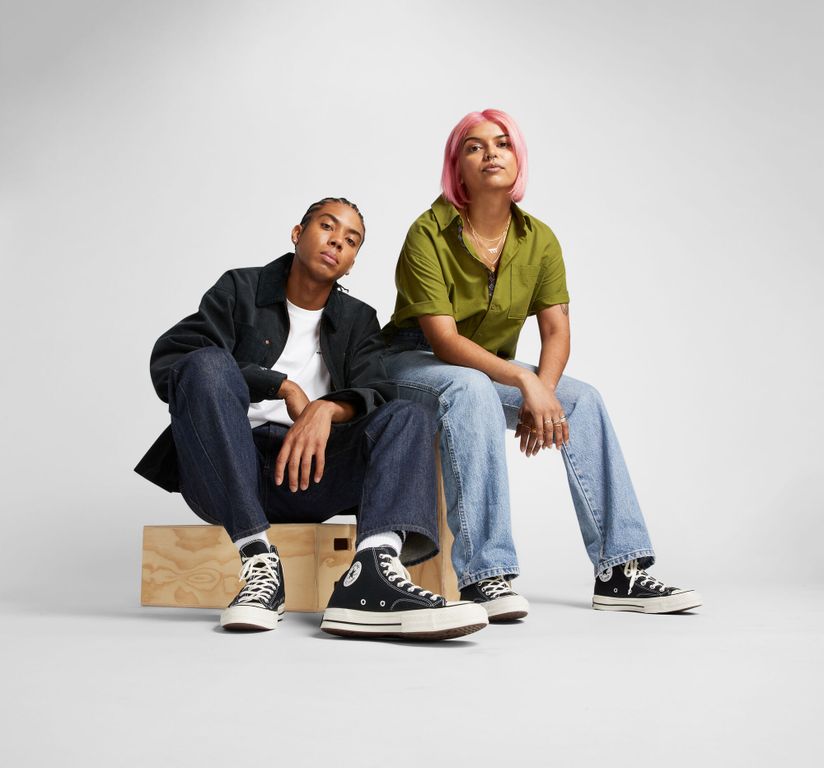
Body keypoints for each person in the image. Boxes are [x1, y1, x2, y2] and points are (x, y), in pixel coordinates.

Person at [382, 110, 701, 619]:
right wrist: (522, 380)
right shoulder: (428, 232)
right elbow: (443, 341)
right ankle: (485, 576)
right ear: (456, 166)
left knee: (582, 400)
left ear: (518, 159)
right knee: (471, 387)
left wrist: (543, 392)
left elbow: (556, 331)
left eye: (503, 143)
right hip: (411, 363)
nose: (491, 153)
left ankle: (619, 571)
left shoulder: (539, 239)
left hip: (488, 370)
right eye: (474, 146)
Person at [135, 197, 488, 640]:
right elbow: (174, 359)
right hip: (225, 469)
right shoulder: (240, 288)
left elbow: (376, 393)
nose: (337, 242)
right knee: (205, 363)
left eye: (351, 240)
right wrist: (282, 387)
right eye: (327, 227)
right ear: (298, 233)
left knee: (407, 414)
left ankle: (371, 574)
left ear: (352, 264)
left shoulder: (358, 319)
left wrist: (326, 408)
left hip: (308, 473)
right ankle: (260, 565)